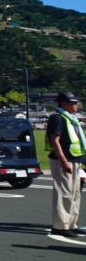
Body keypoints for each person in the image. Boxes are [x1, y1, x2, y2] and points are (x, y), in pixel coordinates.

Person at [46, 91, 85, 237]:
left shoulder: (71, 118)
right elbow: (54, 141)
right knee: (64, 193)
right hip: (64, 160)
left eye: (76, 102)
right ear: (63, 103)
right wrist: (63, 161)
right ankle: (60, 225)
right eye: (72, 102)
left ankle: (71, 223)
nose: (76, 105)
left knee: (75, 193)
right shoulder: (57, 118)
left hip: (75, 159)